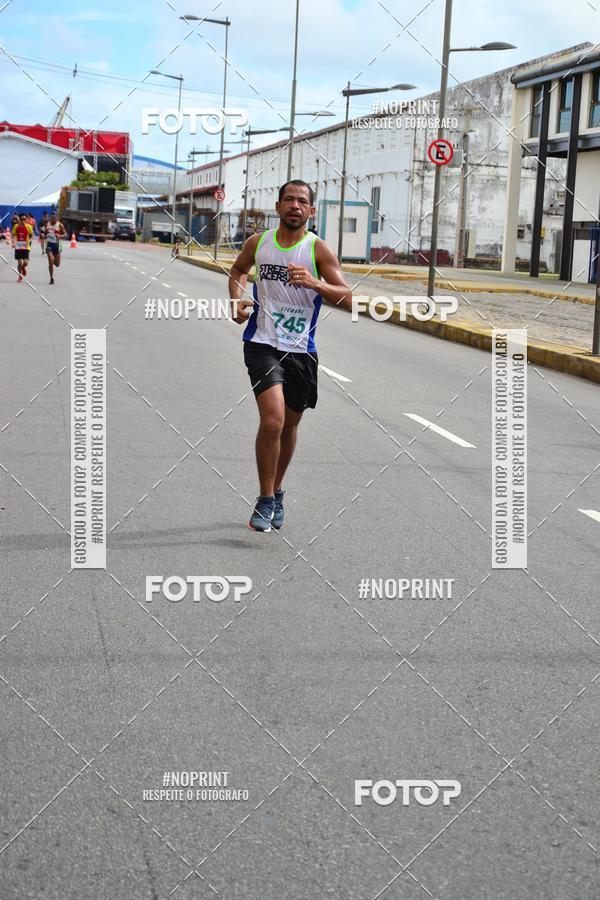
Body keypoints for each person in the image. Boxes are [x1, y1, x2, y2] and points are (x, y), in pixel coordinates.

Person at [229, 179, 353, 532]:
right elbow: (238, 271)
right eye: (288, 200)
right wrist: (237, 298)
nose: (295, 206)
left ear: (311, 211)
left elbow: (348, 298)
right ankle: (265, 499)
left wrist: (315, 283)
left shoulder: (319, 251)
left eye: (302, 201)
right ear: (278, 206)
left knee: (290, 426)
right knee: (273, 420)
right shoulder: (259, 243)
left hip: (301, 350)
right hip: (262, 342)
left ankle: (277, 491)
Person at [45, 213, 67, 284]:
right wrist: (43, 235)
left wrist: (60, 236)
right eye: (52, 218)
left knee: (57, 264)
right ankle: (51, 278)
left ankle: (53, 260)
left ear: (57, 218)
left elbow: (66, 235)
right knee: (50, 262)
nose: (53, 219)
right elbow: (44, 233)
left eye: (54, 218)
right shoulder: (47, 224)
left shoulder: (60, 225)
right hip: (49, 245)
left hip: (57, 245)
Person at [12, 213, 34, 282]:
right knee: (19, 262)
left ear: (26, 219)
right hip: (18, 246)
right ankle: (20, 276)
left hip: (26, 247)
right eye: (21, 219)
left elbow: (32, 235)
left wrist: (29, 240)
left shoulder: (29, 227)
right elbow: (13, 235)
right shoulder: (16, 226)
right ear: (19, 219)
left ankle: (23, 268)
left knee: (25, 262)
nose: (22, 221)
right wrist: (13, 242)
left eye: (24, 219)